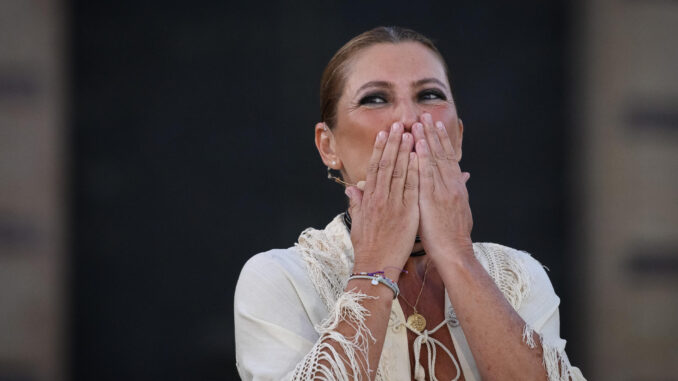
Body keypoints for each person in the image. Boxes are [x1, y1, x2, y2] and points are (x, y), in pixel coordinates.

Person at [234, 26, 586, 381]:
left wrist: (458, 256)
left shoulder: (518, 277)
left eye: (430, 95)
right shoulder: (280, 279)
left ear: (458, 137)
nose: (409, 119)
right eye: (375, 99)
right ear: (328, 145)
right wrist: (375, 266)